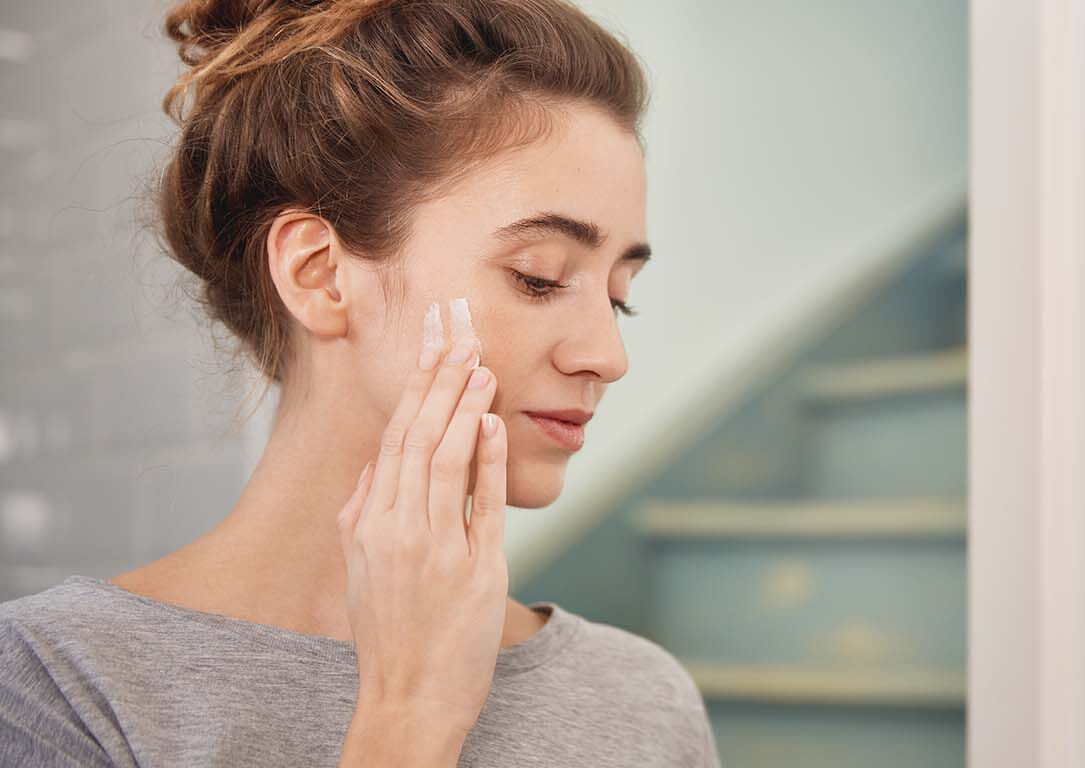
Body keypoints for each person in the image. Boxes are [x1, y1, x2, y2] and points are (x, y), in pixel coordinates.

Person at [0, 1, 721, 765]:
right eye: (537, 277)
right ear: (320, 275)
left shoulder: (644, 703)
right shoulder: (61, 685)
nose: (609, 355)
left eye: (619, 295)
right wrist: (411, 712)